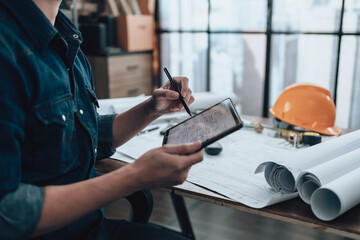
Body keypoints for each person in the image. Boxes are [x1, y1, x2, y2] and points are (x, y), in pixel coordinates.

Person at [0, 0, 204, 239]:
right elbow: (7, 214)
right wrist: (134, 177)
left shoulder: (65, 38)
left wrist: (151, 109)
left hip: (88, 227)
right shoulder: (7, 51)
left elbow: (86, 134)